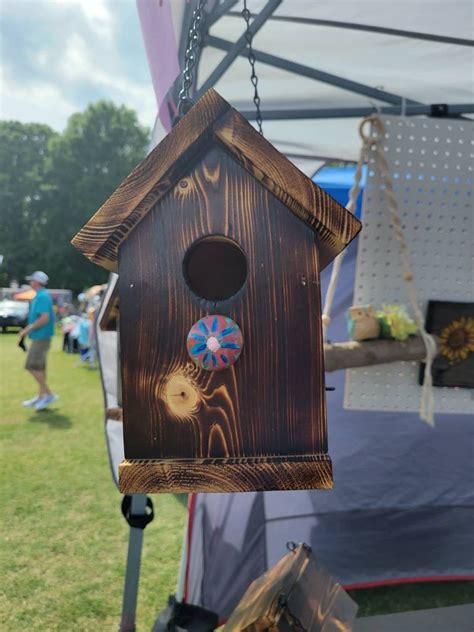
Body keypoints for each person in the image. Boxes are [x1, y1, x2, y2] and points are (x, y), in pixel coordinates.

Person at [19, 271, 58, 411]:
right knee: (40, 368)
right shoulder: (41, 296)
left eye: (32, 280)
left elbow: (44, 318)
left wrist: (26, 330)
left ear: (36, 282)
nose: (30, 282)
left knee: (31, 366)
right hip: (41, 337)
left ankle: (48, 394)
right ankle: (41, 396)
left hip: (41, 337)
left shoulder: (42, 296)